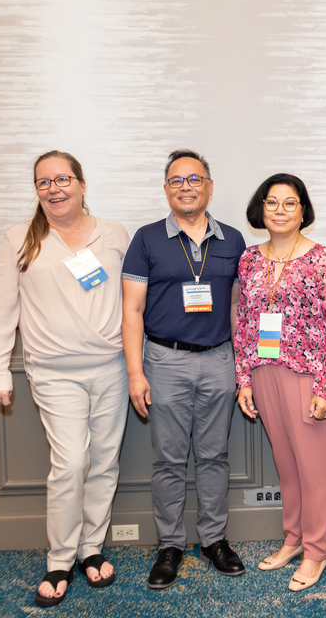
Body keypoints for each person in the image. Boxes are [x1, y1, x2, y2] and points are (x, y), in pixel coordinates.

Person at [0, 150, 130, 607]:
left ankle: (91, 548)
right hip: (52, 372)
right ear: (37, 190)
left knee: (103, 462)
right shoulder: (19, 238)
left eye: (63, 179)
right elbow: (2, 307)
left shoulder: (114, 233)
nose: (54, 188)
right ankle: (61, 558)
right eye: (44, 182)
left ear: (82, 185)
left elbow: (134, 301)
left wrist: (140, 365)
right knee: (70, 464)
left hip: (111, 367)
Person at [121, 149, 247, 589]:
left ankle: (213, 540)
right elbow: (132, 310)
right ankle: (170, 545)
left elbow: (238, 307)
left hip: (218, 359)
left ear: (209, 186)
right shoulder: (146, 239)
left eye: (194, 179)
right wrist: (135, 373)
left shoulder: (233, 240)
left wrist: (242, 367)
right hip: (164, 361)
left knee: (214, 456)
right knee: (169, 461)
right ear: (166, 189)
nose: (186, 186)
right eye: (177, 180)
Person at [234, 174, 326, 591]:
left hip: (308, 376)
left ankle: (316, 551)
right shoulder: (250, 259)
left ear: (303, 211)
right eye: (272, 202)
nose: (280, 210)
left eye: (290, 203)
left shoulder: (320, 259)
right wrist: (244, 379)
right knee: (286, 466)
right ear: (260, 209)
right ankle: (293, 538)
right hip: (263, 373)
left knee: (313, 470)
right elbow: (245, 322)